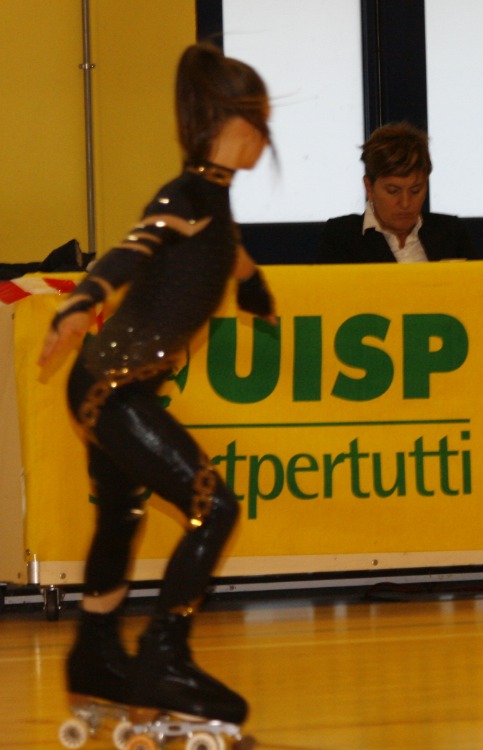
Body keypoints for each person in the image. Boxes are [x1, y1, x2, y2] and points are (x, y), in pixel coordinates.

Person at [39, 41, 275, 729]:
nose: (266, 137)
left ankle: (95, 654)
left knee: (122, 514)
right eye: (258, 121)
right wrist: (82, 301)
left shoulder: (212, 202)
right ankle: (164, 656)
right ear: (225, 122)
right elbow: (133, 248)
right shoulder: (186, 195)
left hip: (111, 387)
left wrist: (253, 286)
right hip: (111, 388)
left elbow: (226, 251)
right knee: (215, 507)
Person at [317, 121, 474, 263]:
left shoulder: (450, 232)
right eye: (393, 191)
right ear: (369, 187)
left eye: (415, 190)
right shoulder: (342, 237)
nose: (405, 203)